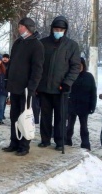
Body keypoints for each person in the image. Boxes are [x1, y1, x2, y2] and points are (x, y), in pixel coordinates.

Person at [36, 16, 80, 151]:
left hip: (61, 88)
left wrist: (67, 82)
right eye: (56, 29)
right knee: (45, 116)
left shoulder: (72, 45)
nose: (58, 31)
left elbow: (75, 67)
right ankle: (45, 139)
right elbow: (38, 65)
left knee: (61, 117)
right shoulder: (43, 43)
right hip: (44, 87)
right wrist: (37, 83)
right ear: (52, 29)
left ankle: (60, 141)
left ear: (65, 30)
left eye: (61, 29)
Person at [2, 18, 44, 156]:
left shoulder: (37, 45)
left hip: (26, 89)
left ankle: (24, 145)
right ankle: (14, 142)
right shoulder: (18, 42)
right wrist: (7, 79)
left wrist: (32, 87)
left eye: (20, 26)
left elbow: (37, 69)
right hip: (14, 87)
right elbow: (12, 63)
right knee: (14, 116)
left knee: (24, 116)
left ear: (27, 28)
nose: (18, 29)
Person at [66, 57, 97, 150]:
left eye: (81, 65)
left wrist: (93, 105)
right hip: (71, 104)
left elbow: (93, 92)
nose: (79, 67)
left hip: (84, 106)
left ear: (83, 66)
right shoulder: (70, 76)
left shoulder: (89, 77)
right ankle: (67, 140)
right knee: (70, 125)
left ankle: (85, 143)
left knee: (84, 126)